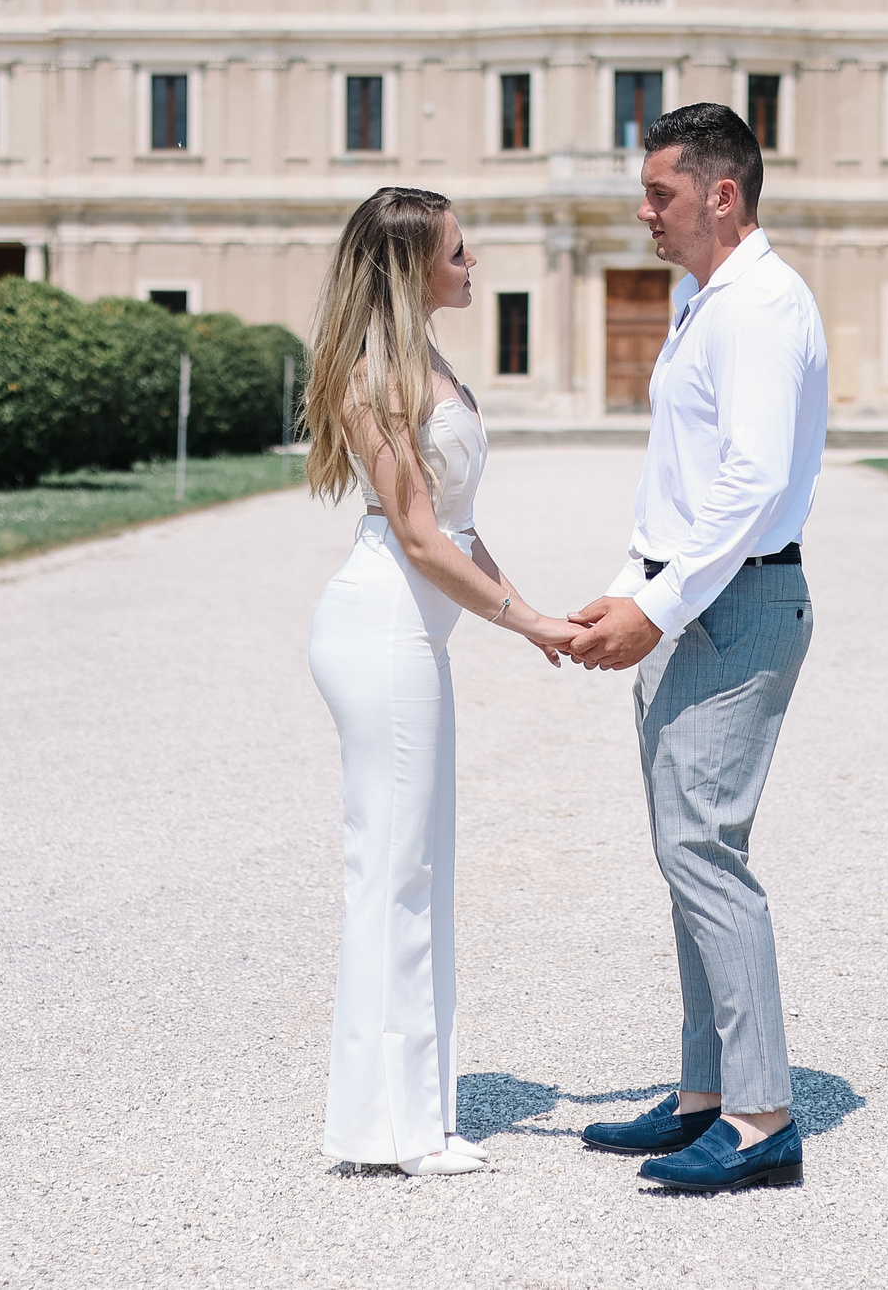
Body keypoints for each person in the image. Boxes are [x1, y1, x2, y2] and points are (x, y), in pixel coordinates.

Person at [566, 102, 829, 1193]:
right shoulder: (702, 300)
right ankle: (704, 1097)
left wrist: (660, 607)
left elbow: (755, 481)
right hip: (694, 598)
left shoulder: (760, 305)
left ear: (722, 194)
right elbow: (678, 479)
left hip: (738, 605)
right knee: (684, 859)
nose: (644, 212)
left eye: (660, 193)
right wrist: (627, 591)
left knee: (704, 855)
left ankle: (762, 1118)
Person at [301, 186, 581, 1176]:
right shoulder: (372, 376)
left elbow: (456, 522)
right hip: (381, 629)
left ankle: (412, 1113)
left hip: (415, 635)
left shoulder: (433, 363)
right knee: (393, 872)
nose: (473, 266)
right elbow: (417, 536)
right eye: (459, 252)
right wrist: (525, 621)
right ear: (412, 266)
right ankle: (391, 1130)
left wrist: (534, 615)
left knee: (417, 870)